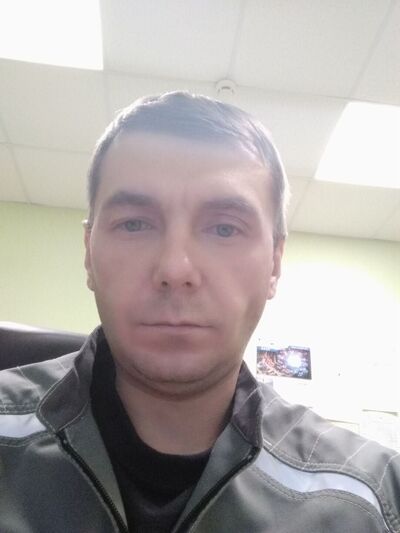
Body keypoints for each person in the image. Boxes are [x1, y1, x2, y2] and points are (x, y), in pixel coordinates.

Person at [0, 92, 399, 533]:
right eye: (134, 223)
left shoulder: (370, 503)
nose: (175, 270)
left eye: (225, 228)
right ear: (88, 253)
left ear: (274, 264)